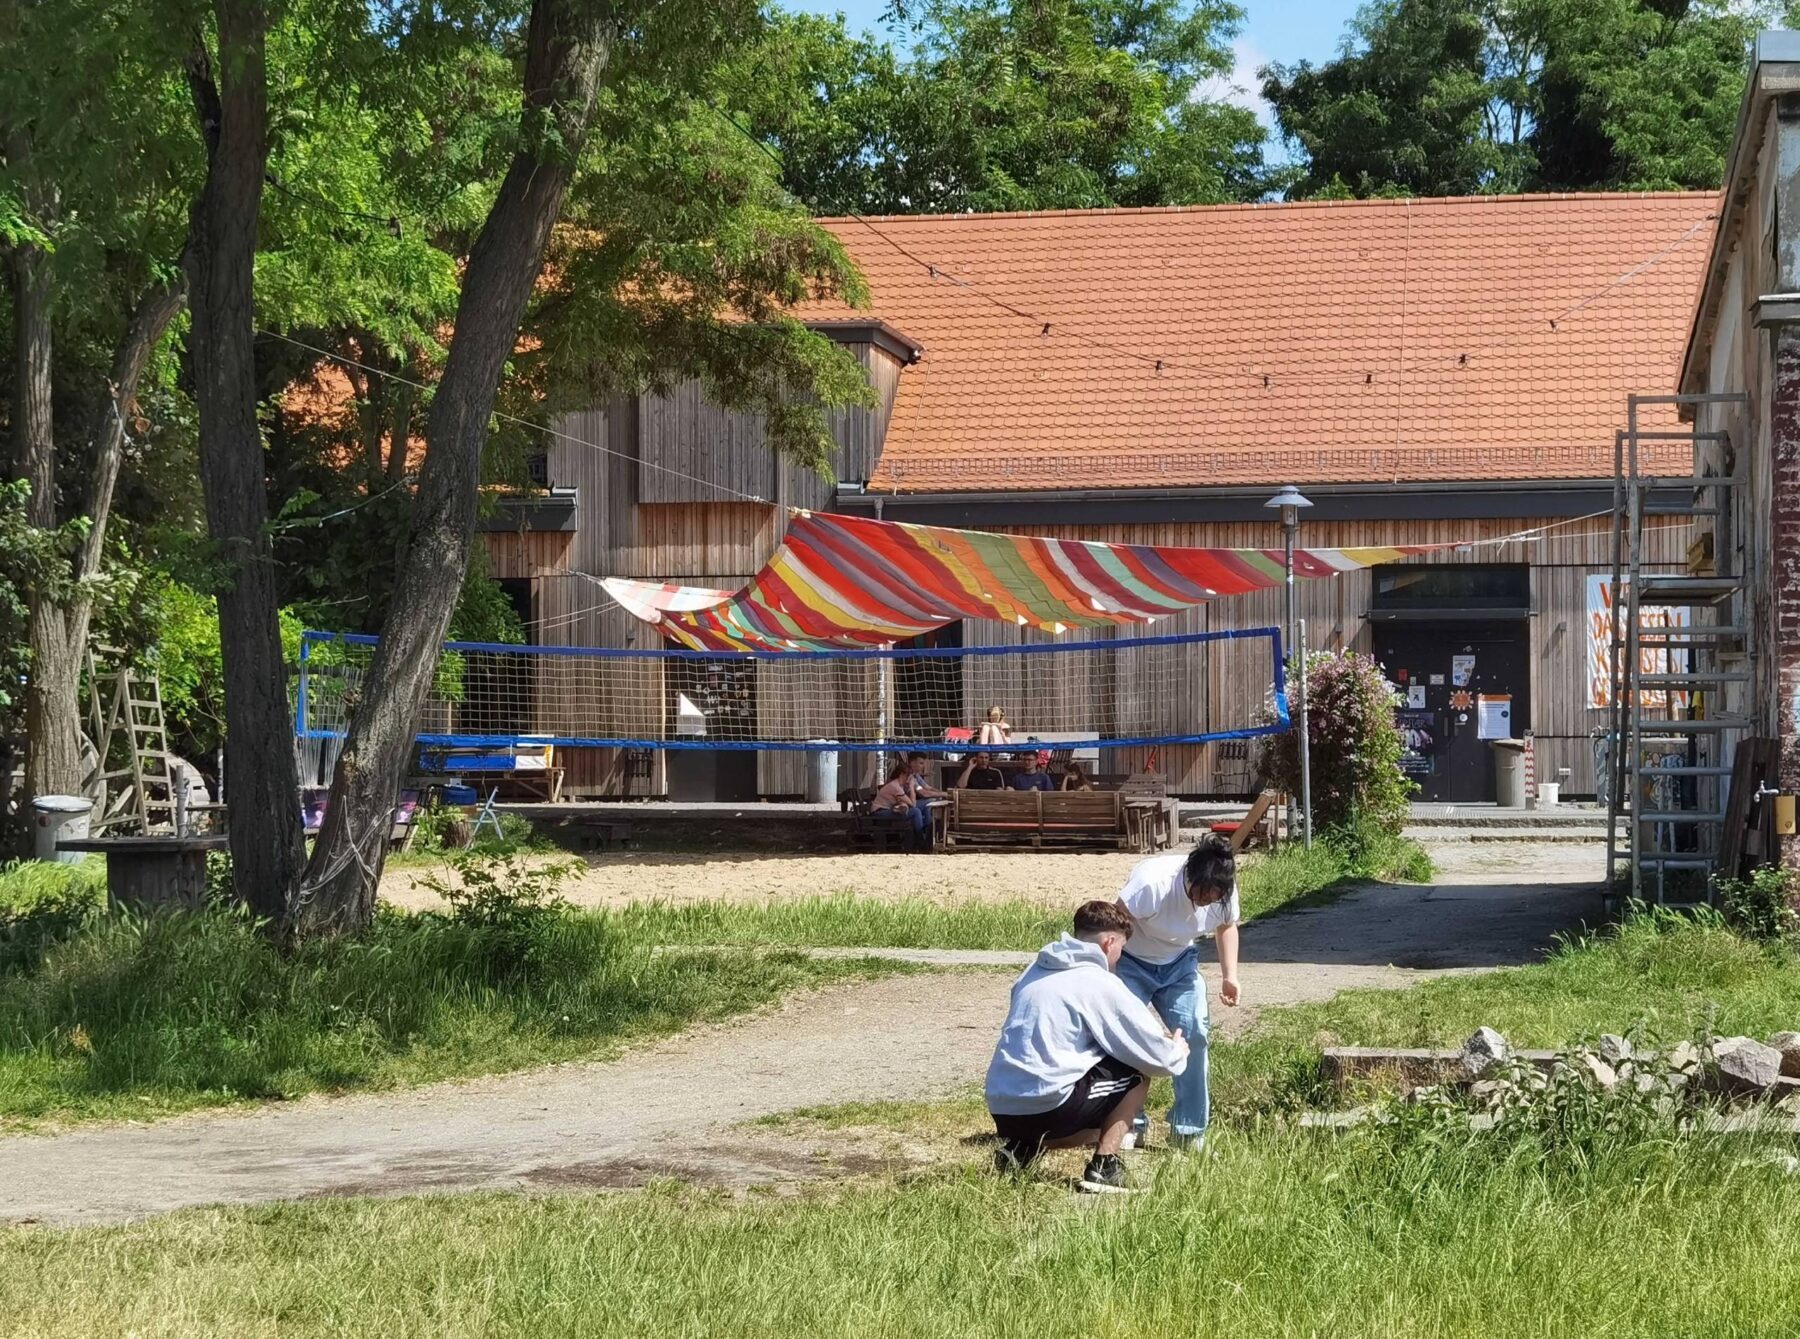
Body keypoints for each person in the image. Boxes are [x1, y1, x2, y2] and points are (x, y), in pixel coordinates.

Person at [985, 900, 1189, 1194]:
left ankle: (1019, 1150)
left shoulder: (1034, 969)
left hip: (1002, 1107)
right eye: (1121, 949)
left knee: (1059, 1070)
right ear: (1109, 943)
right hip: (1049, 1106)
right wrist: (1177, 1050)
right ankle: (1104, 1166)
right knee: (1137, 1072)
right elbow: (1154, 1056)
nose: (1119, 958)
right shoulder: (1098, 981)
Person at [1111, 835, 1241, 1152]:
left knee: (1195, 1032)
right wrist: (1108, 980)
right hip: (1132, 962)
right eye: (1201, 894)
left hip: (1179, 963)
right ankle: (1130, 1123)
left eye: (1214, 897)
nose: (1206, 901)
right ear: (1189, 874)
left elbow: (1227, 926)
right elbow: (1114, 927)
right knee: (1130, 1037)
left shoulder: (1223, 890)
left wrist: (1230, 976)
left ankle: (1189, 1130)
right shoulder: (1152, 883)